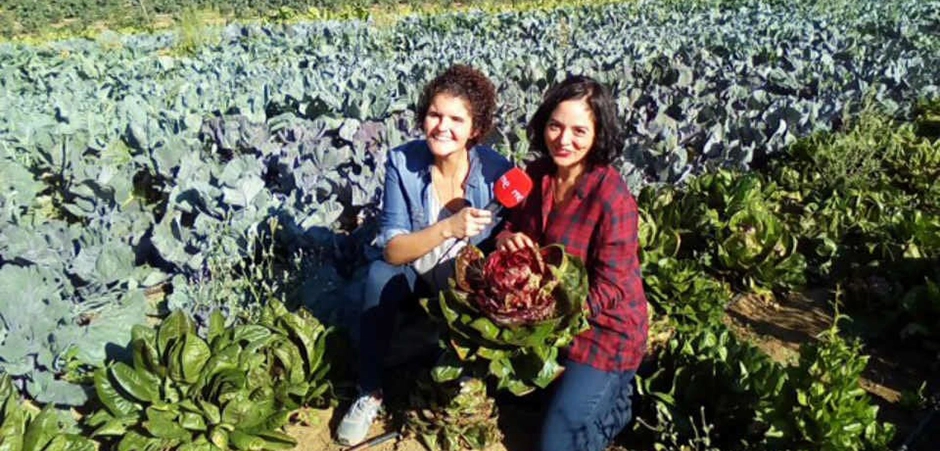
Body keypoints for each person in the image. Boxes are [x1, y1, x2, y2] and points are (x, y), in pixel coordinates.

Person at [335, 64, 513, 446]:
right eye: (434, 115)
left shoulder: (496, 172)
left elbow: (506, 236)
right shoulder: (403, 163)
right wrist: (449, 227)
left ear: (475, 128)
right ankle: (369, 390)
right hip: (414, 273)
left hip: (465, 285)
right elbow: (393, 250)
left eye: (456, 119)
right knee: (379, 276)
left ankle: (470, 370)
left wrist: (505, 239)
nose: (442, 127)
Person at [496, 75, 649, 451]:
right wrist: (504, 240)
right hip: (547, 321)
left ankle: (621, 406)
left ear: (598, 134)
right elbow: (512, 226)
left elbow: (611, 287)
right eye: (555, 126)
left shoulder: (612, 197)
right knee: (509, 397)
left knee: (555, 444)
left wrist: (556, 318)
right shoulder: (536, 176)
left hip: (604, 330)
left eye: (579, 130)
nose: (563, 140)